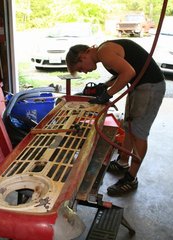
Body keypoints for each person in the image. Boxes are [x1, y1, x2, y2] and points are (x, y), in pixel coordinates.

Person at [66, 39, 165, 196]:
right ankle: (123, 162)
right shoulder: (103, 52)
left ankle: (131, 178)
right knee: (128, 126)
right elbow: (122, 72)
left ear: (83, 56)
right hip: (140, 86)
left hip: (150, 87)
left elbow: (129, 73)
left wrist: (107, 95)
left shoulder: (104, 52)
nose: (84, 72)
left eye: (81, 68)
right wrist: (105, 85)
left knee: (139, 132)